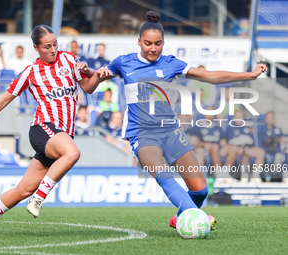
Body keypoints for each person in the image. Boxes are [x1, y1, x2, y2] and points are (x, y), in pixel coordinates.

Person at [104, 11, 267, 230]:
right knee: (164, 175)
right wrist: (88, 74)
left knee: (200, 189)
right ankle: (196, 216)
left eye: (158, 43)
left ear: (164, 43)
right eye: (148, 43)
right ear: (139, 42)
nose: (153, 48)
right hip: (141, 133)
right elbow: (93, 81)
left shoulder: (172, 64)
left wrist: (248, 75)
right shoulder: (123, 63)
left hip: (171, 131)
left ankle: (180, 217)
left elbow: (210, 76)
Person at [0, 24, 112, 236]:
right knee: (72, 153)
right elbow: (6, 97)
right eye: (47, 46)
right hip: (43, 129)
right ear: (36, 47)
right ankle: (39, 198)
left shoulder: (69, 60)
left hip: (61, 136)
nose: (52, 49)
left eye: (55, 44)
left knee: (23, 189)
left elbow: (88, 87)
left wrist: (98, 75)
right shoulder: (31, 72)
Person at [222, 109, 265, 183]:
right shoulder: (230, 128)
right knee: (243, 151)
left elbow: (251, 141)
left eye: (241, 117)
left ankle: (255, 176)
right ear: (233, 117)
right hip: (235, 148)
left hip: (248, 147)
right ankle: (244, 176)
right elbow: (226, 142)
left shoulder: (247, 128)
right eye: (237, 116)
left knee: (261, 152)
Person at [260, 111, 285, 182]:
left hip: (278, 151)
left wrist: (280, 140)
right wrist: (277, 139)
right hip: (267, 151)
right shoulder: (263, 130)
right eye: (268, 118)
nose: (270, 120)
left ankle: (281, 176)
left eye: (271, 118)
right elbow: (267, 141)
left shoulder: (278, 130)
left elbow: (282, 139)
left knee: (281, 156)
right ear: (265, 119)